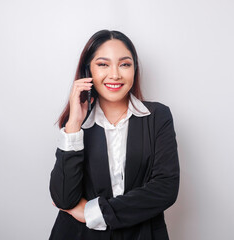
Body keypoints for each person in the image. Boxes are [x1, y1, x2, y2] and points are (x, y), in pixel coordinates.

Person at [49, 30, 179, 240]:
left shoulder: (158, 116)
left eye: (124, 64)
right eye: (103, 64)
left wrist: (93, 212)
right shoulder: (76, 124)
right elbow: (64, 198)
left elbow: (165, 188)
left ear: (134, 69)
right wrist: (74, 123)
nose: (115, 74)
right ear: (87, 70)